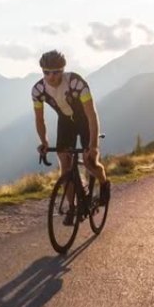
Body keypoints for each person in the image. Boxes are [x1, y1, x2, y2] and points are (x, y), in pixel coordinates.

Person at [31, 50, 111, 225]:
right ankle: (73, 207)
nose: (51, 76)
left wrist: (93, 145)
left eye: (56, 72)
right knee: (65, 167)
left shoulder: (76, 82)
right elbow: (39, 118)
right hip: (65, 123)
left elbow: (91, 114)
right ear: (42, 71)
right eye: (46, 72)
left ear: (63, 70)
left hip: (84, 121)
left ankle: (104, 182)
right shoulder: (38, 90)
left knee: (90, 161)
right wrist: (44, 142)